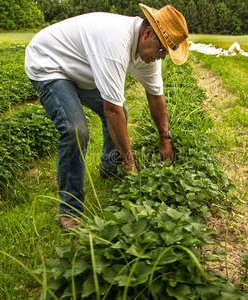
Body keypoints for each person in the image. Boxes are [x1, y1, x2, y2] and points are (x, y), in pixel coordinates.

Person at [25, 4, 189, 229]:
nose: (162, 58)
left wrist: (165, 139)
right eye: (162, 51)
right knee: (75, 129)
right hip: (49, 62)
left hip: (82, 68)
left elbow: (155, 97)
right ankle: (69, 209)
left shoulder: (149, 54)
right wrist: (131, 161)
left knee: (121, 112)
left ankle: (110, 166)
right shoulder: (115, 42)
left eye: (167, 54)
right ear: (148, 34)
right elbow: (111, 110)